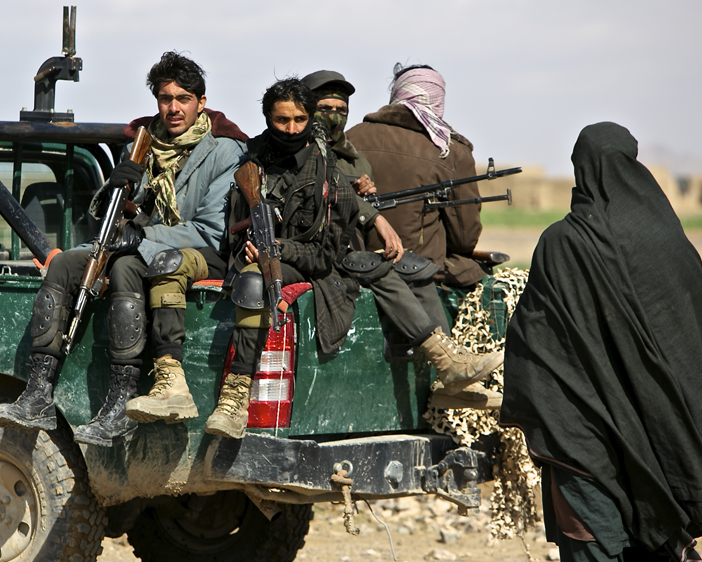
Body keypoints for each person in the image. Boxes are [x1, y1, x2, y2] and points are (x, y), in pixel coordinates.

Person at [203, 79, 503, 440]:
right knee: (253, 279)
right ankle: (233, 401)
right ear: (268, 117)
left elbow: (326, 249)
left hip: (308, 257)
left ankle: (446, 360)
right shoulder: (249, 162)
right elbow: (229, 227)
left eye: (300, 119)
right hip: (264, 261)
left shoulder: (323, 166)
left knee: (381, 265)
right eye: (282, 120)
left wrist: (284, 247)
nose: (292, 129)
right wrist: (248, 246)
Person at [499, 122, 702, 561]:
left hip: (584, 434)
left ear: (581, 169)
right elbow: (696, 339)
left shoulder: (561, 243)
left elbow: (536, 342)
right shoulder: (669, 237)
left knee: (597, 540)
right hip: (662, 431)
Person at [0, 52, 246, 448]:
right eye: (165, 98)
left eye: (183, 98)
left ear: (201, 101)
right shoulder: (146, 143)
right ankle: (38, 393)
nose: (173, 108)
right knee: (65, 266)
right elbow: (112, 213)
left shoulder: (225, 152)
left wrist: (141, 239)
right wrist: (118, 186)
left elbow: (211, 231)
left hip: (195, 251)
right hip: (139, 242)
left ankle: (120, 404)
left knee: (127, 266)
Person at [303, 69, 502, 410]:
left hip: (363, 249)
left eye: (341, 109)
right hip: (321, 252)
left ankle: (449, 379)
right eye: (324, 108)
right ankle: (447, 362)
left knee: (412, 263)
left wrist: (361, 198)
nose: (334, 118)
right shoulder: (447, 149)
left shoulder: (354, 146)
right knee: (378, 263)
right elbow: (465, 236)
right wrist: (363, 206)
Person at [346, 63, 487, 289]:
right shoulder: (451, 151)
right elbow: (464, 238)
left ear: (397, 94)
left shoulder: (350, 137)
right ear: (438, 100)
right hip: (418, 272)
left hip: (351, 264)